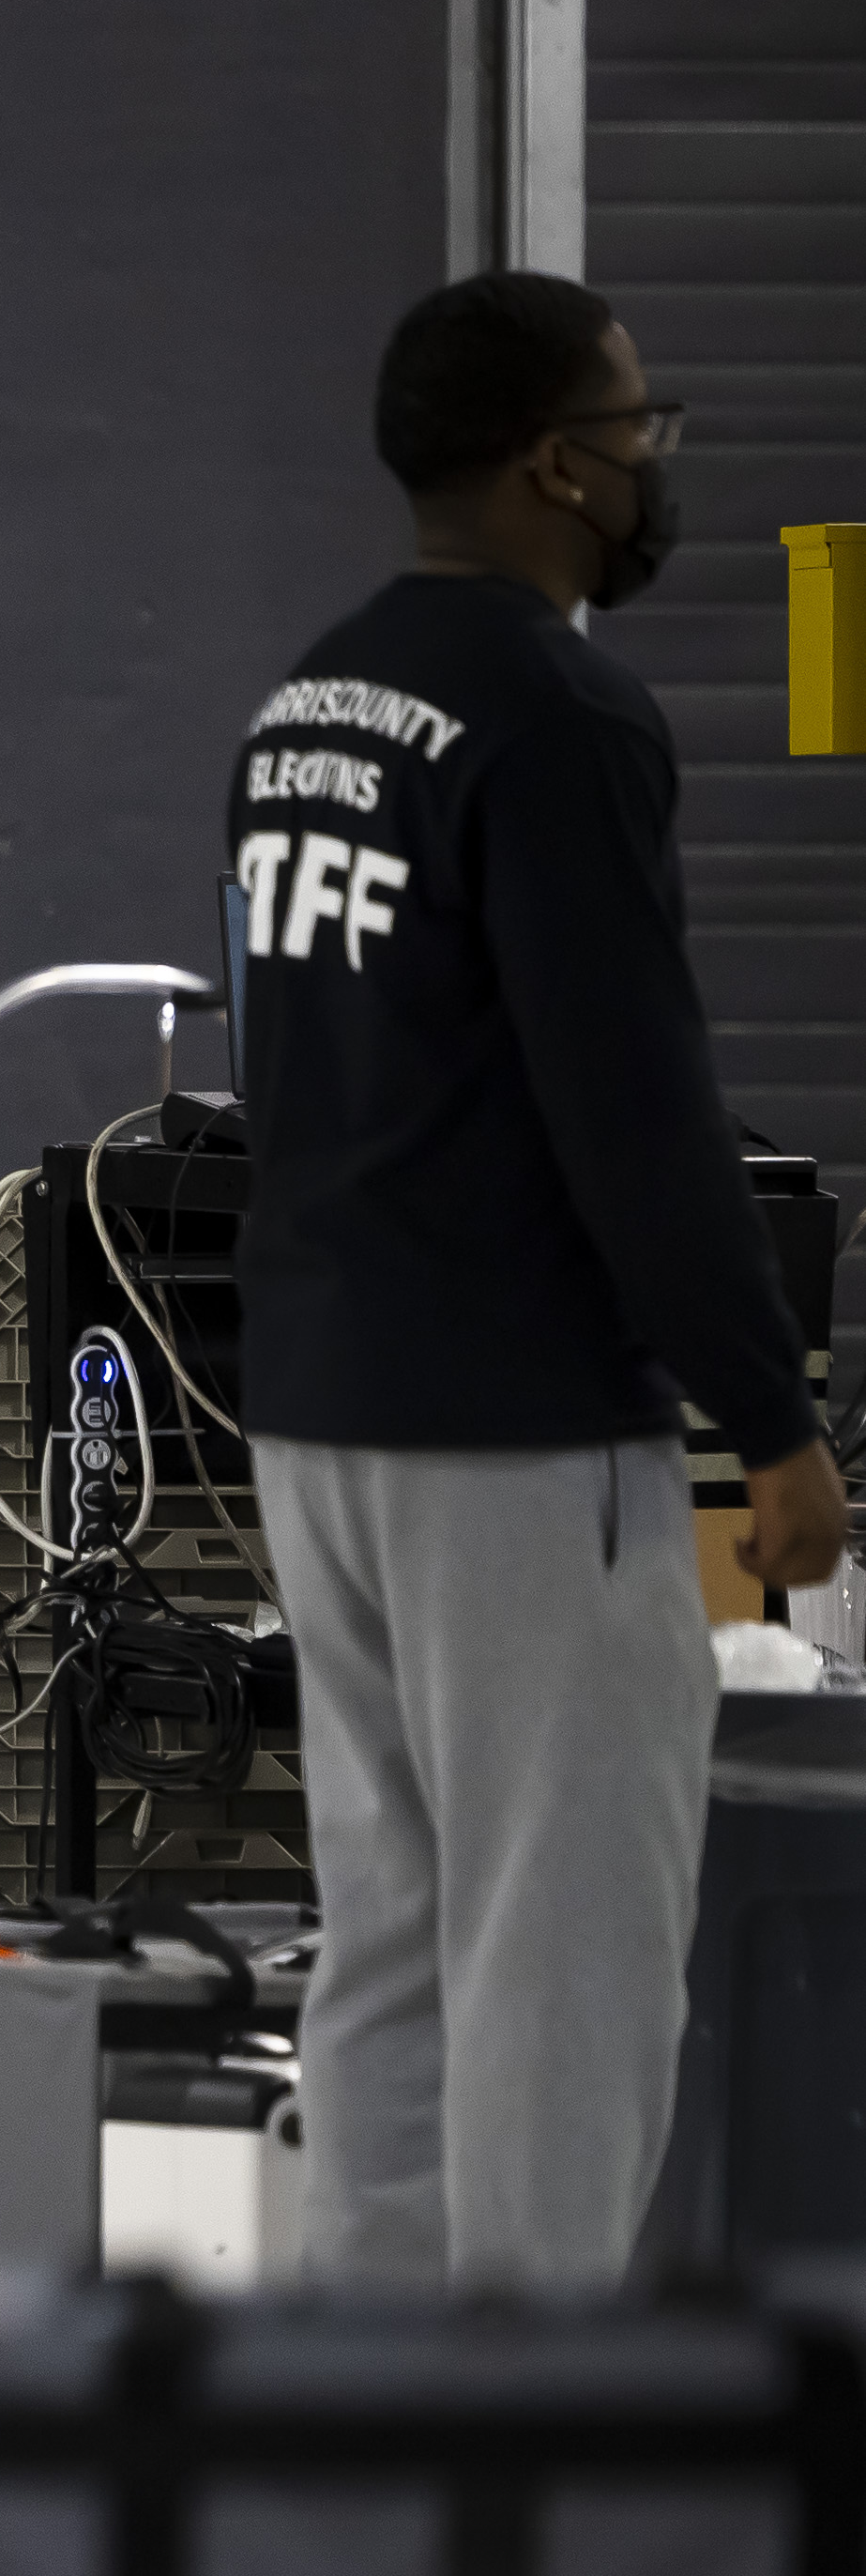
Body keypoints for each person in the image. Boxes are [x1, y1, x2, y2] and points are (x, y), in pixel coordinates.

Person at [231, 268, 849, 2291]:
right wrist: (769, 1417)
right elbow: (633, 1105)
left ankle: (373, 2435)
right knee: (566, 1962)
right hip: (512, 1430)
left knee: (393, 1940)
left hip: (323, 1403)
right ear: (551, 460)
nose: (652, 455)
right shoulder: (560, 716)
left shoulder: (308, 702)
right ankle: (546, 2451)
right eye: (634, 420)